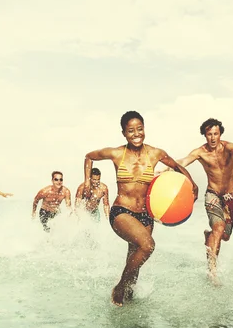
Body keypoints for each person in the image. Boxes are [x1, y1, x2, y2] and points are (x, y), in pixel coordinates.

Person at [84, 110, 198, 306]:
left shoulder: (155, 153)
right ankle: (119, 288)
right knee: (148, 246)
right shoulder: (116, 153)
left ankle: (128, 300)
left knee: (135, 257)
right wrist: (87, 182)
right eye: (131, 131)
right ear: (124, 133)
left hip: (146, 215)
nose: (136, 134)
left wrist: (191, 183)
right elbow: (89, 157)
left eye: (140, 129)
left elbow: (177, 167)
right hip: (122, 212)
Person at [173, 118, 233, 284]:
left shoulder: (228, 147)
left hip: (229, 197)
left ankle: (209, 236)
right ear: (204, 135)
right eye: (209, 134)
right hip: (212, 194)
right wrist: (167, 167)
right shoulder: (200, 152)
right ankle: (212, 272)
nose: (212, 138)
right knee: (218, 228)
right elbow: (183, 161)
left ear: (220, 134)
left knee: (224, 236)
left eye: (215, 134)